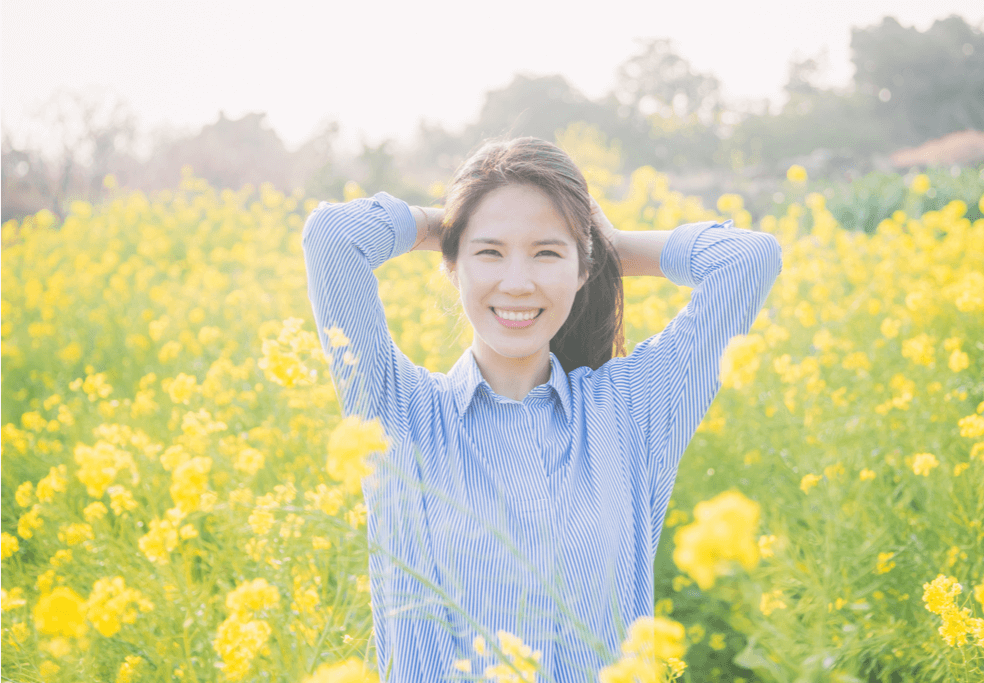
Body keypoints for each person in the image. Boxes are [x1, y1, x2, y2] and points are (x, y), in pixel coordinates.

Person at [301, 136, 783, 682]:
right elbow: (332, 237)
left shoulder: (632, 411)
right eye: (489, 252)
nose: (517, 282)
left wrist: (609, 246)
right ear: (452, 265)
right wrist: (450, 223)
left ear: (583, 269)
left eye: (546, 253)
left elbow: (751, 259)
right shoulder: (395, 413)